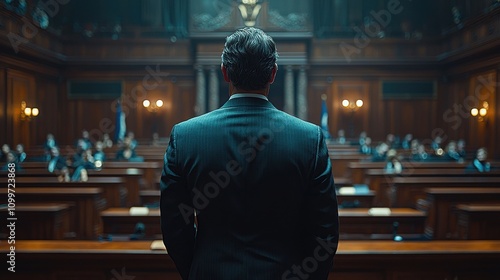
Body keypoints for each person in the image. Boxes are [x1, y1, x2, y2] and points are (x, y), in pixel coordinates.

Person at [160, 27, 339, 280]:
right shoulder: (309, 138)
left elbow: (174, 228)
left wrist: (199, 269)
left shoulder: (185, 136)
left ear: (225, 72)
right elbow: (325, 233)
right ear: (274, 74)